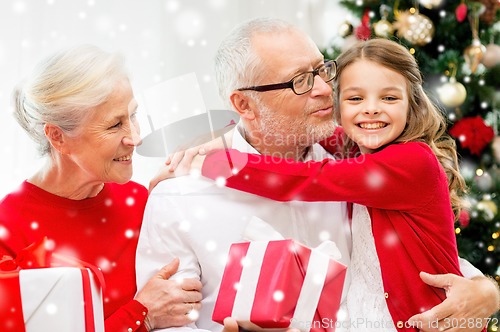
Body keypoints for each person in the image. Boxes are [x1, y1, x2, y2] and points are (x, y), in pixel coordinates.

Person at [138, 18, 499, 332]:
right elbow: (168, 324)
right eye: (300, 81)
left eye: (322, 70)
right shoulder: (180, 197)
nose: (326, 90)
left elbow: (410, 253)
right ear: (244, 105)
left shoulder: (357, 159)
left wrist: (486, 290)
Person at [0, 45, 202, 332]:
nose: (135, 138)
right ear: (58, 137)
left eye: (132, 116)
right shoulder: (8, 231)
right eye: (114, 125)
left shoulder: (139, 200)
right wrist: (140, 315)